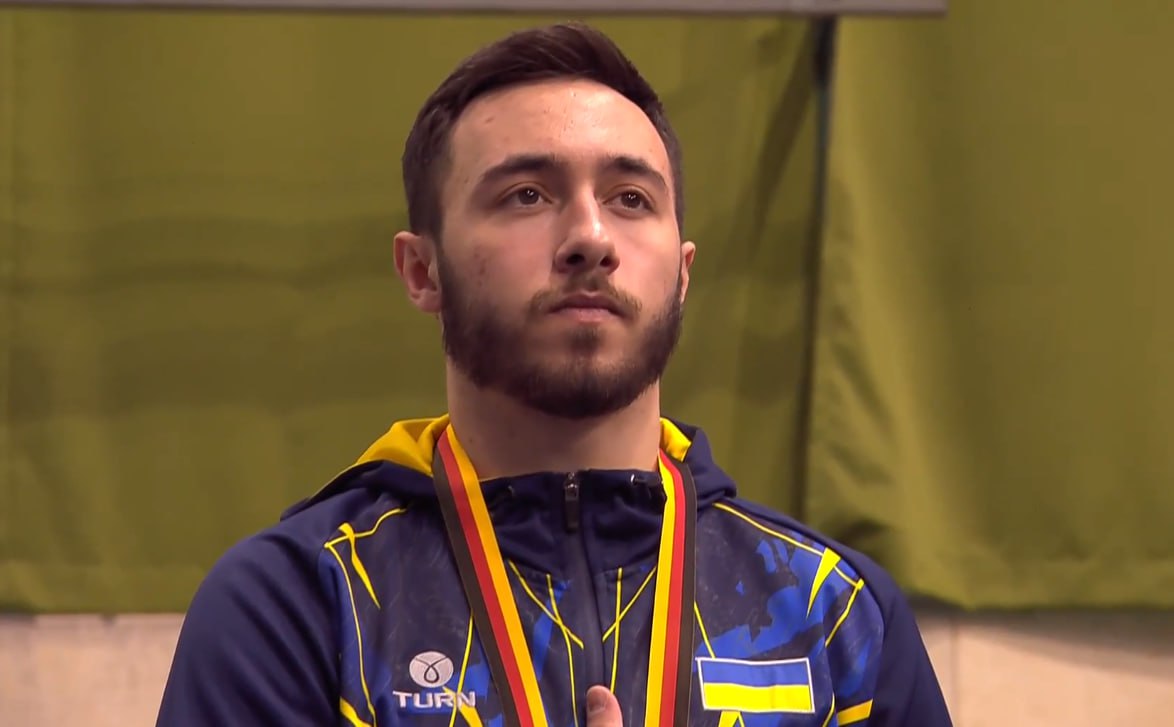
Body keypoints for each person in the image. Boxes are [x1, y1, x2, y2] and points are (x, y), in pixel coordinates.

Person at [156, 22, 952, 727]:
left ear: (682, 274)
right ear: (422, 271)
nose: (590, 237)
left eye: (631, 197)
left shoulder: (835, 615)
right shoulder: (302, 603)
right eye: (527, 195)